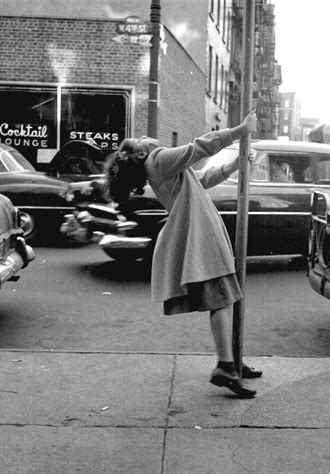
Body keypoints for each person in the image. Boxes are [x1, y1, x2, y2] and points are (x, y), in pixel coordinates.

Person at [104, 111, 262, 398]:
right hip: (199, 235)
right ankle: (226, 366)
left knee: (226, 296)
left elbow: (200, 178)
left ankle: (232, 360)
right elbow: (199, 147)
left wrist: (235, 165)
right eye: (141, 139)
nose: (148, 136)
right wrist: (241, 130)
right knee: (222, 298)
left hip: (201, 232)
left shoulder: (158, 167)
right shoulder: (158, 159)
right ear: (140, 153)